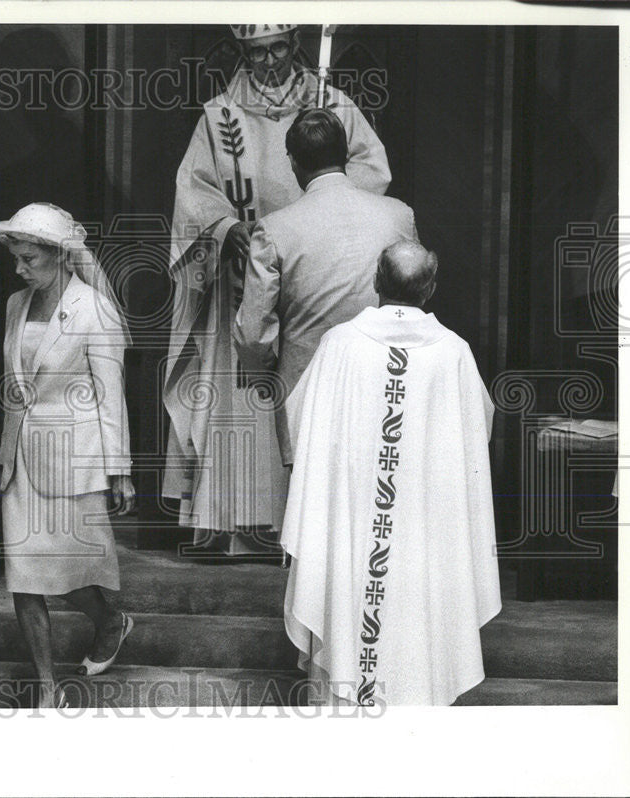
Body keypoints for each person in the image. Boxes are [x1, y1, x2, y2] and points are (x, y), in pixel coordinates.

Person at [163, 24, 391, 555]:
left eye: (279, 49)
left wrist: (314, 224)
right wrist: (226, 227)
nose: (269, 62)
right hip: (244, 273)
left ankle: (310, 532)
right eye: (257, 52)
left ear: (296, 46)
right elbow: (193, 188)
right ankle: (243, 525)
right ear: (242, 51)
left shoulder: (332, 103)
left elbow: (371, 170)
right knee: (243, 391)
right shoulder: (219, 114)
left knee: (312, 392)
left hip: (315, 276)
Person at [280, 241, 502, 706]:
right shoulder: (453, 353)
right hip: (422, 525)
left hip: (356, 519)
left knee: (348, 595)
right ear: (431, 289)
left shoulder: (339, 344)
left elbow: (301, 421)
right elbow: (477, 430)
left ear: (377, 282)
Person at [0, 203, 137, 709]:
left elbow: (110, 394)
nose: (20, 269)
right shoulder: (15, 304)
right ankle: (47, 689)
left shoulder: (94, 309)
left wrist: (119, 471)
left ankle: (111, 622)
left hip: (75, 455)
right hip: (21, 456)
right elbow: (17, 385)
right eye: (16, 259)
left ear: (58, 255)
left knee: (70, 572)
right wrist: (6, 447)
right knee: (24, 575)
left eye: (29, 258)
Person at [234, 108, 419, 464]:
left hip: (307, 394)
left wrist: (268, 381)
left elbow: (253, 334)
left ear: (293, 162)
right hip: (388, 389)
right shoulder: (400, 215)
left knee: (312, 512)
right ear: (346, 154)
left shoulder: (274, 229)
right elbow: (414, 306)